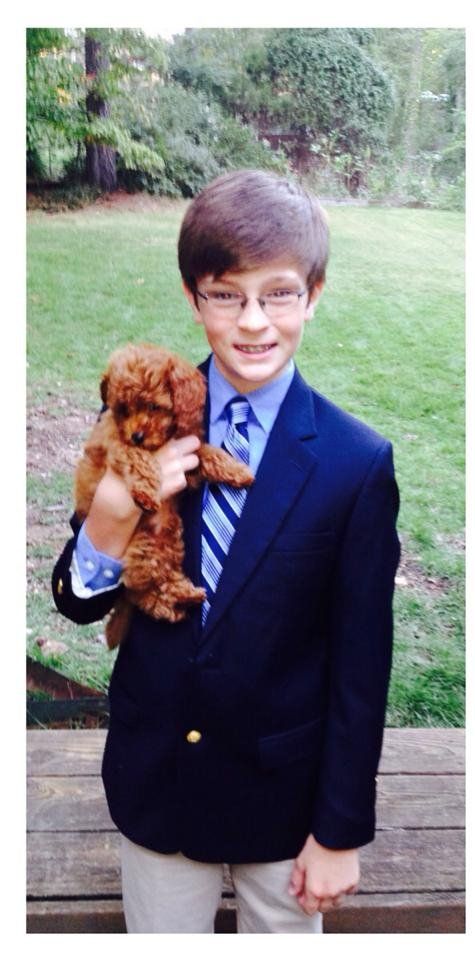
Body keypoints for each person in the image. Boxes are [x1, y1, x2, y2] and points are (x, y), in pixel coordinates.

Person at [52, 169, 400, 933]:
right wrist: (111, 519)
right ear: (191, 296)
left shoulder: (355, 462)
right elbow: (77, 606)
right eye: (225, 294)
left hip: (284, 799)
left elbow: (360, 662)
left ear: (314, 293)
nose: (252, 323)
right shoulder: (145, 418)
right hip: (159, 783)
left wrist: (340, 829)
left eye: (277, 293)